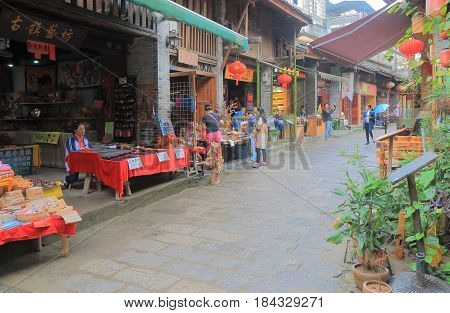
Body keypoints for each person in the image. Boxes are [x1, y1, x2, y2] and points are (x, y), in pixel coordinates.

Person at [64, 122, 92, 188]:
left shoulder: (85, 139)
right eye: (80, 129)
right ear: (75, 131)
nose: (83, 130)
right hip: (74, 162)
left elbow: (91, 148)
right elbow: (73, 153)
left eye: (84, 128)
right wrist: (85, 150)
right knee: (73, 179)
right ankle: (66, 180)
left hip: (85, 160)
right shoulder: (71, 141)